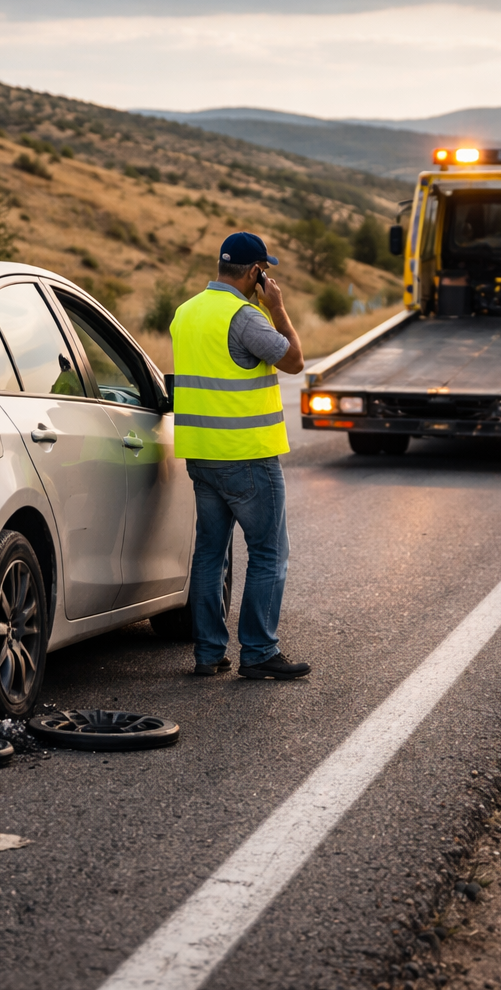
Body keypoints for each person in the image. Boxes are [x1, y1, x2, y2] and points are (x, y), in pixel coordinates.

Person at [169, 232, 311, 680]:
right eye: (262, 272)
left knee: (210, 554)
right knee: (269, 552)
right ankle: (259, 651)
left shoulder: (185, 312)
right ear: (255, 272)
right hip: (247, 455)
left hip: (201, 455)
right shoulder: (245, 316)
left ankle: (208, 653)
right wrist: (278, 309)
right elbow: (294, 361)